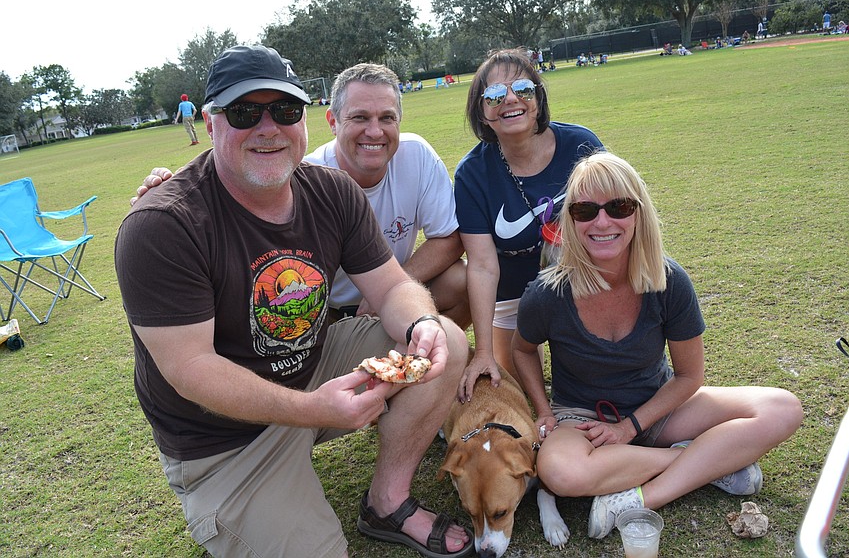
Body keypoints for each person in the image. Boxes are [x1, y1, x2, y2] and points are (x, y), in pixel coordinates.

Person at [115, 44, 473, 558]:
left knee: (446, 342)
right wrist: (312, 409)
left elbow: (393, 287)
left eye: (284, 110)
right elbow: (191, 369)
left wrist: (421, 323)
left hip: (312, 370)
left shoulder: (332, 191)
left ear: (304, 119)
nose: (269, 128)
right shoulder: (163, 225)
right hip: (225, 440)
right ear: (211, 123)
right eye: (244, 112)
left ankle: (387, 502)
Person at [512, 151, 803, 539]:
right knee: (560, 473)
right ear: (571, 219)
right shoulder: (548, 293)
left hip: (658, 407)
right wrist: (545, 410)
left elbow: (689, 376)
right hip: (581, 419)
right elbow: (522, 349)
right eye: (585, 210)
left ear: (639, 213)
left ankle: (639, 499)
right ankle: (704, 462)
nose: (602, 222)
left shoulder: (668, 280)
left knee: (782, 408)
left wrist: (629, 428)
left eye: (618, 207)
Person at [134, 63, 470, 329]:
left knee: (461, 281)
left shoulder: (416, 155)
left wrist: (392, 290)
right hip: (318, 310)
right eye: (359, 117)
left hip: (389, 292)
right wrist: (170, 197)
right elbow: (234, 178)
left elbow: (449, 237)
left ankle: (418, 371)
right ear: (332, 122)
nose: (374, 131)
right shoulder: (301, 175)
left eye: (387, 118)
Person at [453, 48, 603, 400]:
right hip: (513, 295)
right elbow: (482, 265)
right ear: (482, 112)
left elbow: (619, 221)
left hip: (583, 282)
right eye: (494, 95)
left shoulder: (581, 144)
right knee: (514, 388)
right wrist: (484, 352)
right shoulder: (472, 174)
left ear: (538, 97)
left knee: (593, 384)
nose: (510, 100)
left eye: (522, 89)